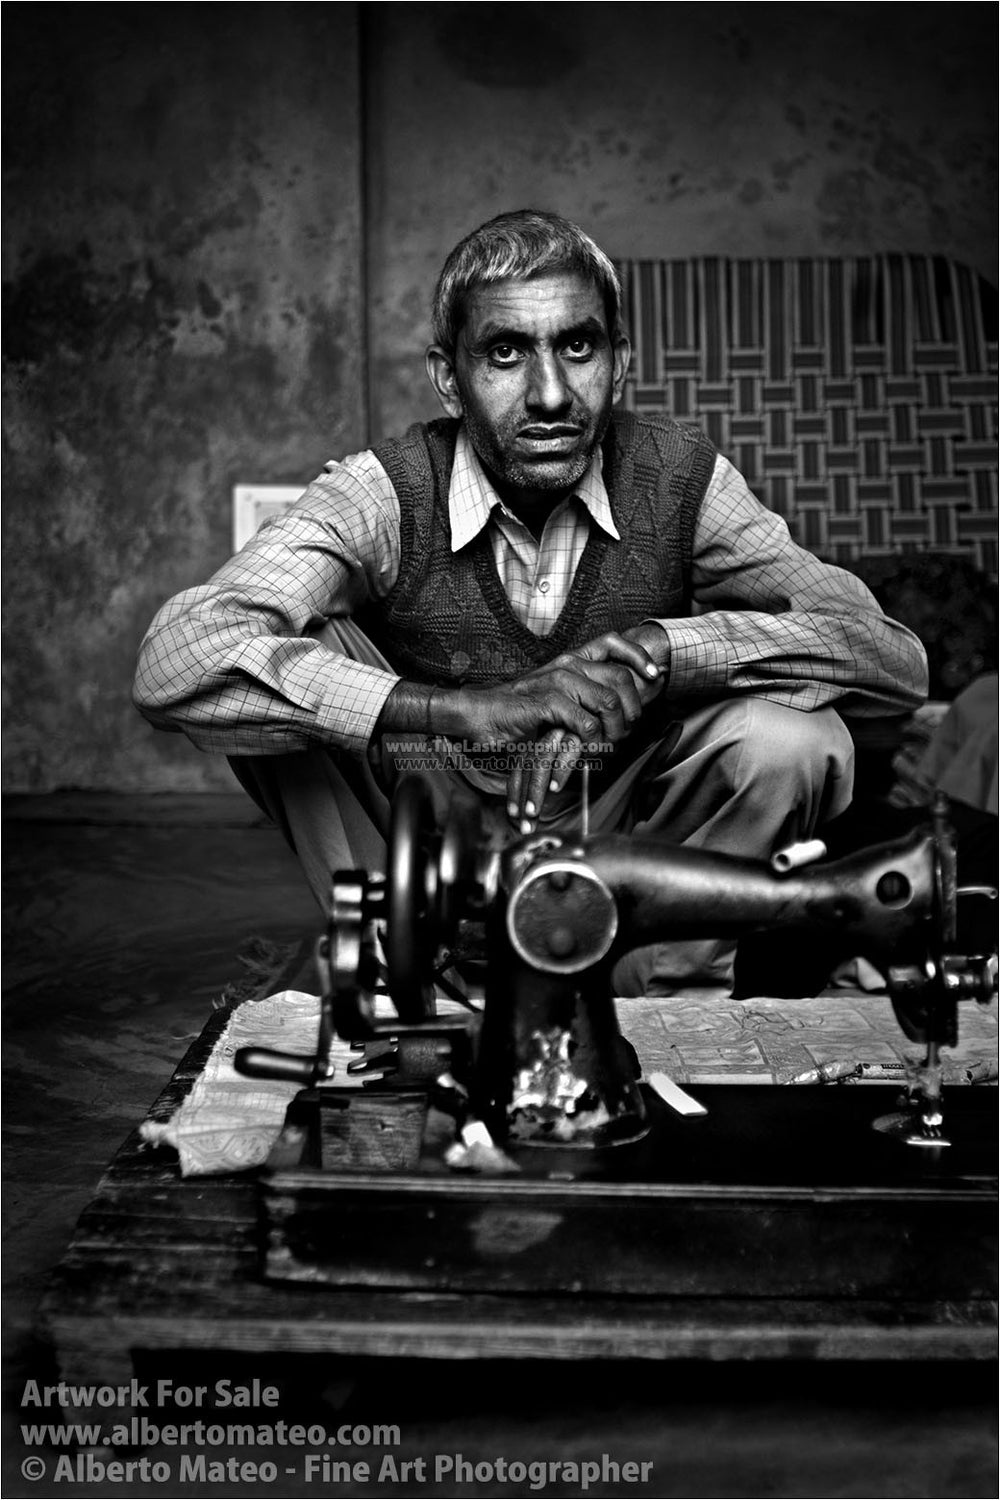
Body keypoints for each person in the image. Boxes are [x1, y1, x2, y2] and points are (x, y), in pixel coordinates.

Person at [133, 209, 927, 994]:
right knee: (289, 655)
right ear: (450, 379)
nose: (550, 394)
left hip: (619, 835)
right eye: (505, 353)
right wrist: (460, 712)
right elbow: (177, 658)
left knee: (791, 737)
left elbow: (892, 656)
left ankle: (662, 1000)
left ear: (620, 362)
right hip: (423, 817)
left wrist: (666, 651)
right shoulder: (380, 493)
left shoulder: (682, 479)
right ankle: (401, 973)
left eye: (578, 347)